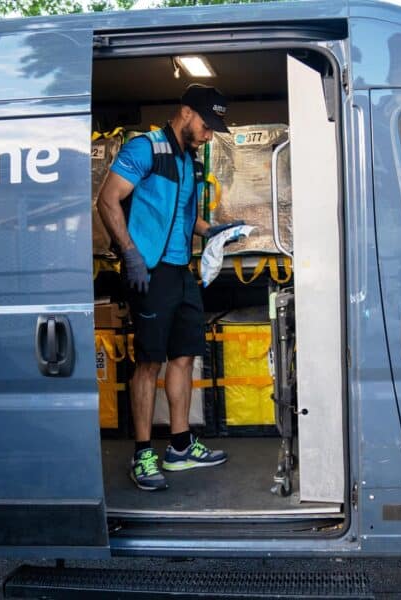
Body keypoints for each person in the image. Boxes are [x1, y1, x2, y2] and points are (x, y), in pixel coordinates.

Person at [97, 84, 243, 491]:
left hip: (181, 272)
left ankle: (179, 447)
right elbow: (107, 200)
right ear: (185, 113)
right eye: (206, 124)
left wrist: (212, 230)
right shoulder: (146, 149)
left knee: (183, 357)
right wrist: (130, 254)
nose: (210, 133)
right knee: (148, 363)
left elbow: (185, 216)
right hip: (149, 270)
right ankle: (143, 452)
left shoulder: (191, 160)